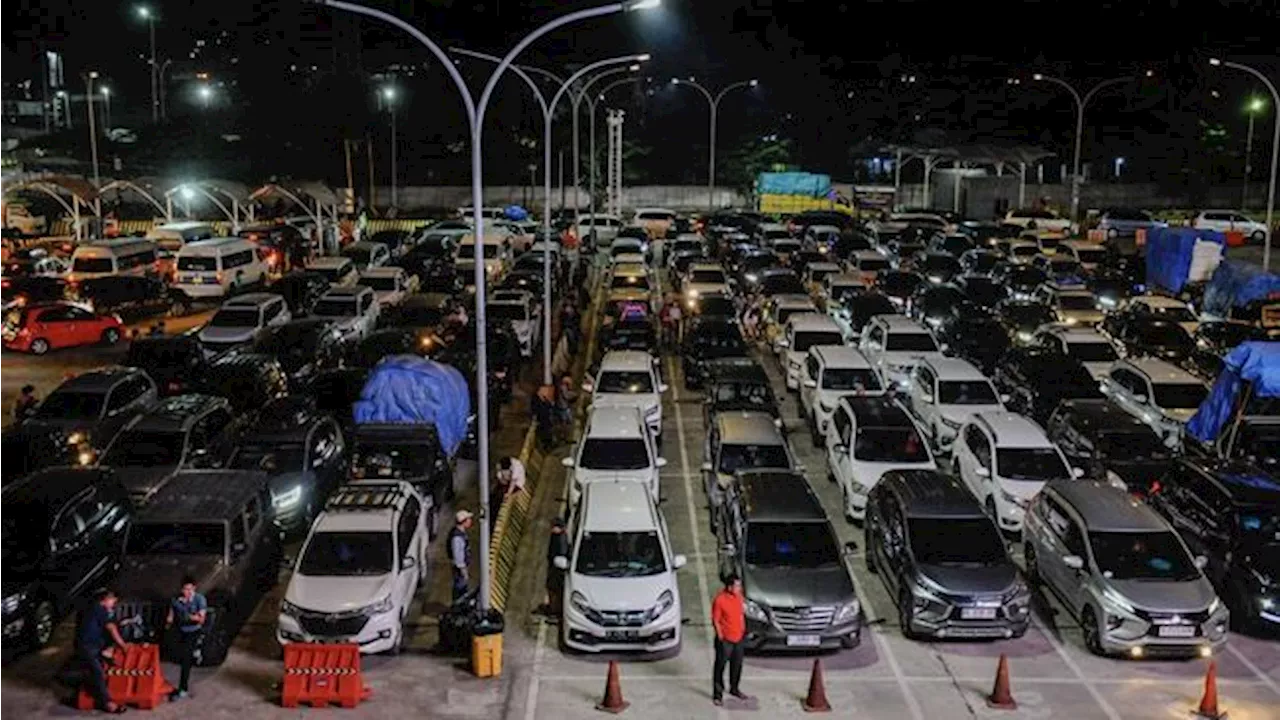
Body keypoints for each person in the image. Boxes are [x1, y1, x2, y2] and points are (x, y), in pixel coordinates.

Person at [75, 588, 128, 714]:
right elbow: (111, 628)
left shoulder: (92, 608)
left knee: (96, 669)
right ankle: (107, 703)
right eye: (113, 600)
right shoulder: (99, 609)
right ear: (105, 600)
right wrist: (123, 645)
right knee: (98, 673)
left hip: (92, 644)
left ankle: (104, 655)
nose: (114, 603)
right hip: (87, 647)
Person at [164, 576, 207, 700]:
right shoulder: (176, 599)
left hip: (194, 631)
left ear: (194, 588)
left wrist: (188, 616)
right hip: (180, 630)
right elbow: (171, 614)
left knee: (186, 659)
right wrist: (169, 621)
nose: (187, 592)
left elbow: (201, 619)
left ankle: (183, 689)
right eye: (184, 589)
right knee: (177, 654)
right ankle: (195, 652)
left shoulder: (200, 599)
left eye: (189, 590)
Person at [711, 574, 750, 706]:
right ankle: (717, 694)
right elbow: (715, 620)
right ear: (729, 587)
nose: (739, 588)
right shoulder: (720, 600)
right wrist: (721, 637)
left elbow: (740, 614)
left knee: (737, 665)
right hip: (725, 640)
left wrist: (743, 627)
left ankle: (734, 688)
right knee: (720, 667)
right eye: (737, 585)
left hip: (738, 638)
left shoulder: (739, 597)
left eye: (739, 585)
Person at [544, 517, 569, 616]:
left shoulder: (561, 539)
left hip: (557, 569)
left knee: (554, 588)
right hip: (554, 566)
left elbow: (561, 554)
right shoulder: (556, 536)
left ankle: (555, 609)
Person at [448, 510, 474, 604]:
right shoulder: (457, 537)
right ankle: (458, 607)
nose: (470, 521)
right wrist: (464, 571)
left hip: (460, 568)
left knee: (462, 588)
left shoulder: (460, 533)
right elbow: (458, 557)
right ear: (463, 522)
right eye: (468, 519)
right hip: (459, 569)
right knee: (460, 589)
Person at [531, 384, 557, 450]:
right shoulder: (535, 399)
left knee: (548, 432)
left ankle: (549, 444)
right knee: (544, 433)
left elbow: (549, 406)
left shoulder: (544, 398)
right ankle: (545, 445)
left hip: (546, 419)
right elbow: (535, 410)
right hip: (541, 420)